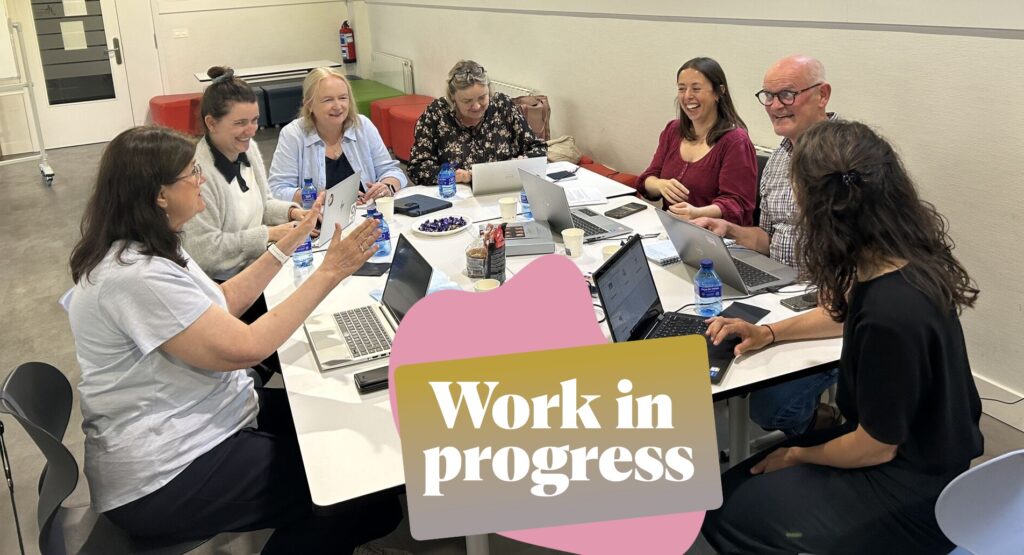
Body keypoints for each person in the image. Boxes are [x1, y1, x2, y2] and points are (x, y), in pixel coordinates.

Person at [67, 126, 399, 553]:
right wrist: (330, 271)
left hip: (205, 420)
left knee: (346, 440)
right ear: (160, 195)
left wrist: (291, 239)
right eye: (192, 173)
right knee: (345, 492)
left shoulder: (152, 246)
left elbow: (220, 301)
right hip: (165, 472)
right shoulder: (136, 276)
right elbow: (248, 347)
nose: (202, 178)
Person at [700, 119, 983, 554]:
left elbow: (875, 448)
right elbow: (843, 317)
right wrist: (768, 333)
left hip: (912, 487)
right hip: (924, 454)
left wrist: (796, 455)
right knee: (734, 485)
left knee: (724, 511)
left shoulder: (891, 315)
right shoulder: (899, 261)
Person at [695, 55, 840, 436]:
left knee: (772, 405)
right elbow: (769, 238)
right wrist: (728, 229)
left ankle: (823, 424)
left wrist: (772, 332)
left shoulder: (847, 160)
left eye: (787, 94)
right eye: (768, 96)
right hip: (780, 286)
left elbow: (849, 297)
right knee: (707, 333)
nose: (775, 106)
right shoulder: (779, 156)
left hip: (827, 301)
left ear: (822, 95)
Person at [182, 66, 307, 281]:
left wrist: (293, 213)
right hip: (223, 283)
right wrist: (269, 234)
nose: (251, 130)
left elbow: (264, 204)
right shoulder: (198, 175)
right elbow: (204, 251)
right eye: (240, 123)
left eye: (255, 120)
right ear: (211, 123)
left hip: (256, 265)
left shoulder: (248, 150)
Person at [635, 57, 756, 225]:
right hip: (671, 228)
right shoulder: (673, 130)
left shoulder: (736, 141)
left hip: (713, 234)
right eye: (682, 89)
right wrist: (660, 184)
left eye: (696, 89)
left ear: (719, 92)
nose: (687, 96)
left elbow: (738, 205)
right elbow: (646, 180)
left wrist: (697, 213)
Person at [269, 66, 407, 203]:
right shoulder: (293, 135)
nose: (338, 106)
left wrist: (387, 186)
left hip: (366, 212)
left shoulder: (362, 125)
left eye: (342, 98)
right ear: (309, 105)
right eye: (328, 100)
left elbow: (391, 171)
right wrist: (323, 197)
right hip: (318, 215)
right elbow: (278, 190)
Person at [407, 60, 547, 186]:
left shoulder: (502, 106)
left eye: (482, 97)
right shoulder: (436, 113)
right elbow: (416, 168)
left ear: (489, 91)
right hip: (456, 194)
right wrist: (454, 175)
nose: (477, 106)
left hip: (503, 191)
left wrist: (524, 161)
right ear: (452, 97)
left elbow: (538, 148)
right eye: (467, 101)